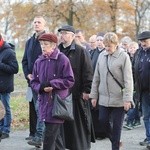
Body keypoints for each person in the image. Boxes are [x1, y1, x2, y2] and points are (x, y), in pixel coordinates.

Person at [90, 32, 134, 150]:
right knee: (102, 121)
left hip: (119, 99)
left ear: (116, 44)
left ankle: (115, 146)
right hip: (103, 98)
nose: (107, 48)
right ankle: (116, 140)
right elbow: (96, 77)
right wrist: (93, 96)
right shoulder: (101, 56)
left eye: (109, 45)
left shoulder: (123, 57)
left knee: (117, 127)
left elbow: (128, 80)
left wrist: (127, 99)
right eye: (105, 45)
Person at [30, 33, 74, 150]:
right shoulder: (38, 61)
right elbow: (33, 82)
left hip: (57, 104)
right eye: (41, 44)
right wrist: (41, 87)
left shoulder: (63, 59)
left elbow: (70, 80)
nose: (43, 46)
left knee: (48, 140)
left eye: (46, 44)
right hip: (43, 103)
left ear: (54, 45)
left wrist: (52, 84)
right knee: (57, 139)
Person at [58, 25, 95, 150]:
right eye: (61, 33)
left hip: (76, 94)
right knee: (63, 125)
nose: (62, 35)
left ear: (72, 36)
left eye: (65, 33)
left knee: (77, 125)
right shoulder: (57, 50)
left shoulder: (80, 51)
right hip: (61, 95)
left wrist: (87, 90)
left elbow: (88, 71)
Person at [22, 16, 46, 147]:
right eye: (35, 22)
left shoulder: (47, 39)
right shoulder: (30, 41)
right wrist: (28, 75)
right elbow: (24, 61)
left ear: (44, 25)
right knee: (35, 108)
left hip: (42, 81)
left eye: (39, 22)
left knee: (41, 109)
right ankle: (36, 135)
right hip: (31, 81)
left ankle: (40, 137)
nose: (36, 24)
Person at [132, 31, 150, 149]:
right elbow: (134, 70)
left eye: (145, 41)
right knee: (147, 116)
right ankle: (149, 138)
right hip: (143, 91)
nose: (143, 43)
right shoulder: (138, 53)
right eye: (141, 41)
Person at [0, 34, 19, 139]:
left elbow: (15, 69)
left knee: (5, 109)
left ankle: (6, 130)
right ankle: (1, 128)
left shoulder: (9, 52)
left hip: (5, 86)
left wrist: (1, 65)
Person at [123, 41, 142, 130]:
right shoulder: (126, 57)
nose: (132, 49)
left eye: (134, 48)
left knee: (133, 102)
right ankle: (137, 120)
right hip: (130, 82)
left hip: (136, 83)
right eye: (131, 48)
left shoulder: (139, 57)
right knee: (135, 102)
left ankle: (130, 121)